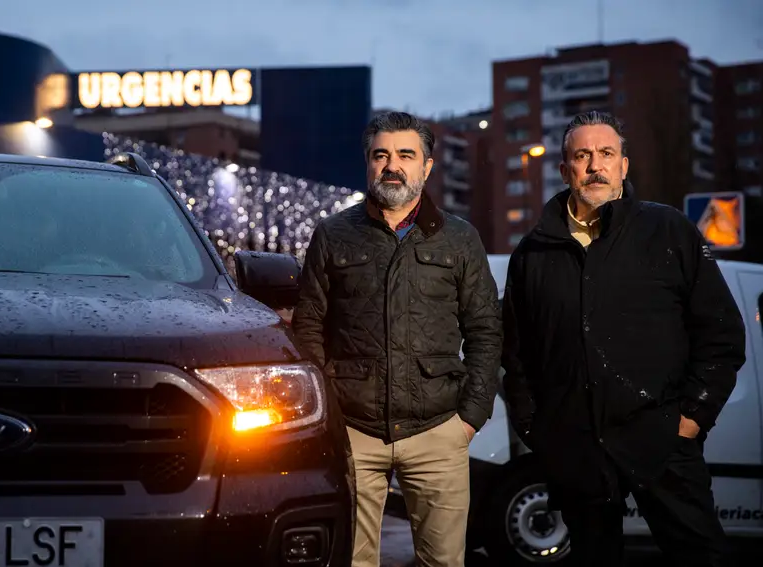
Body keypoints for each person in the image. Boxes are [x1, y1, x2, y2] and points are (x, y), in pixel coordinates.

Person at [501, 110, 746, 567]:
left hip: (663, 438)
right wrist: (537, 430)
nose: (596, 166)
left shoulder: (668, 230)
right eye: (583, 156)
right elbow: (516, 354)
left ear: (624, 166)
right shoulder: (533, 252)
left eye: (607, 154)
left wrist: (693, 417)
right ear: (565, 170)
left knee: (701, 556)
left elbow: (721, 332)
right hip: (576, 449)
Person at [293, 111, 502, 567]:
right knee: (351, 560)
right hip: (353, 432)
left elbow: (485, 330)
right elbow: (308, 328)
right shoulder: (332, 235)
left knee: (443, 561)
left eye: (406, 155)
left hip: (438, 429)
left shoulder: (460, 239)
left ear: (427, 166)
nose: (392, 165)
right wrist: (329, 415)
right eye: (381, 155)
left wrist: (470, 417)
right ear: (367, 163)